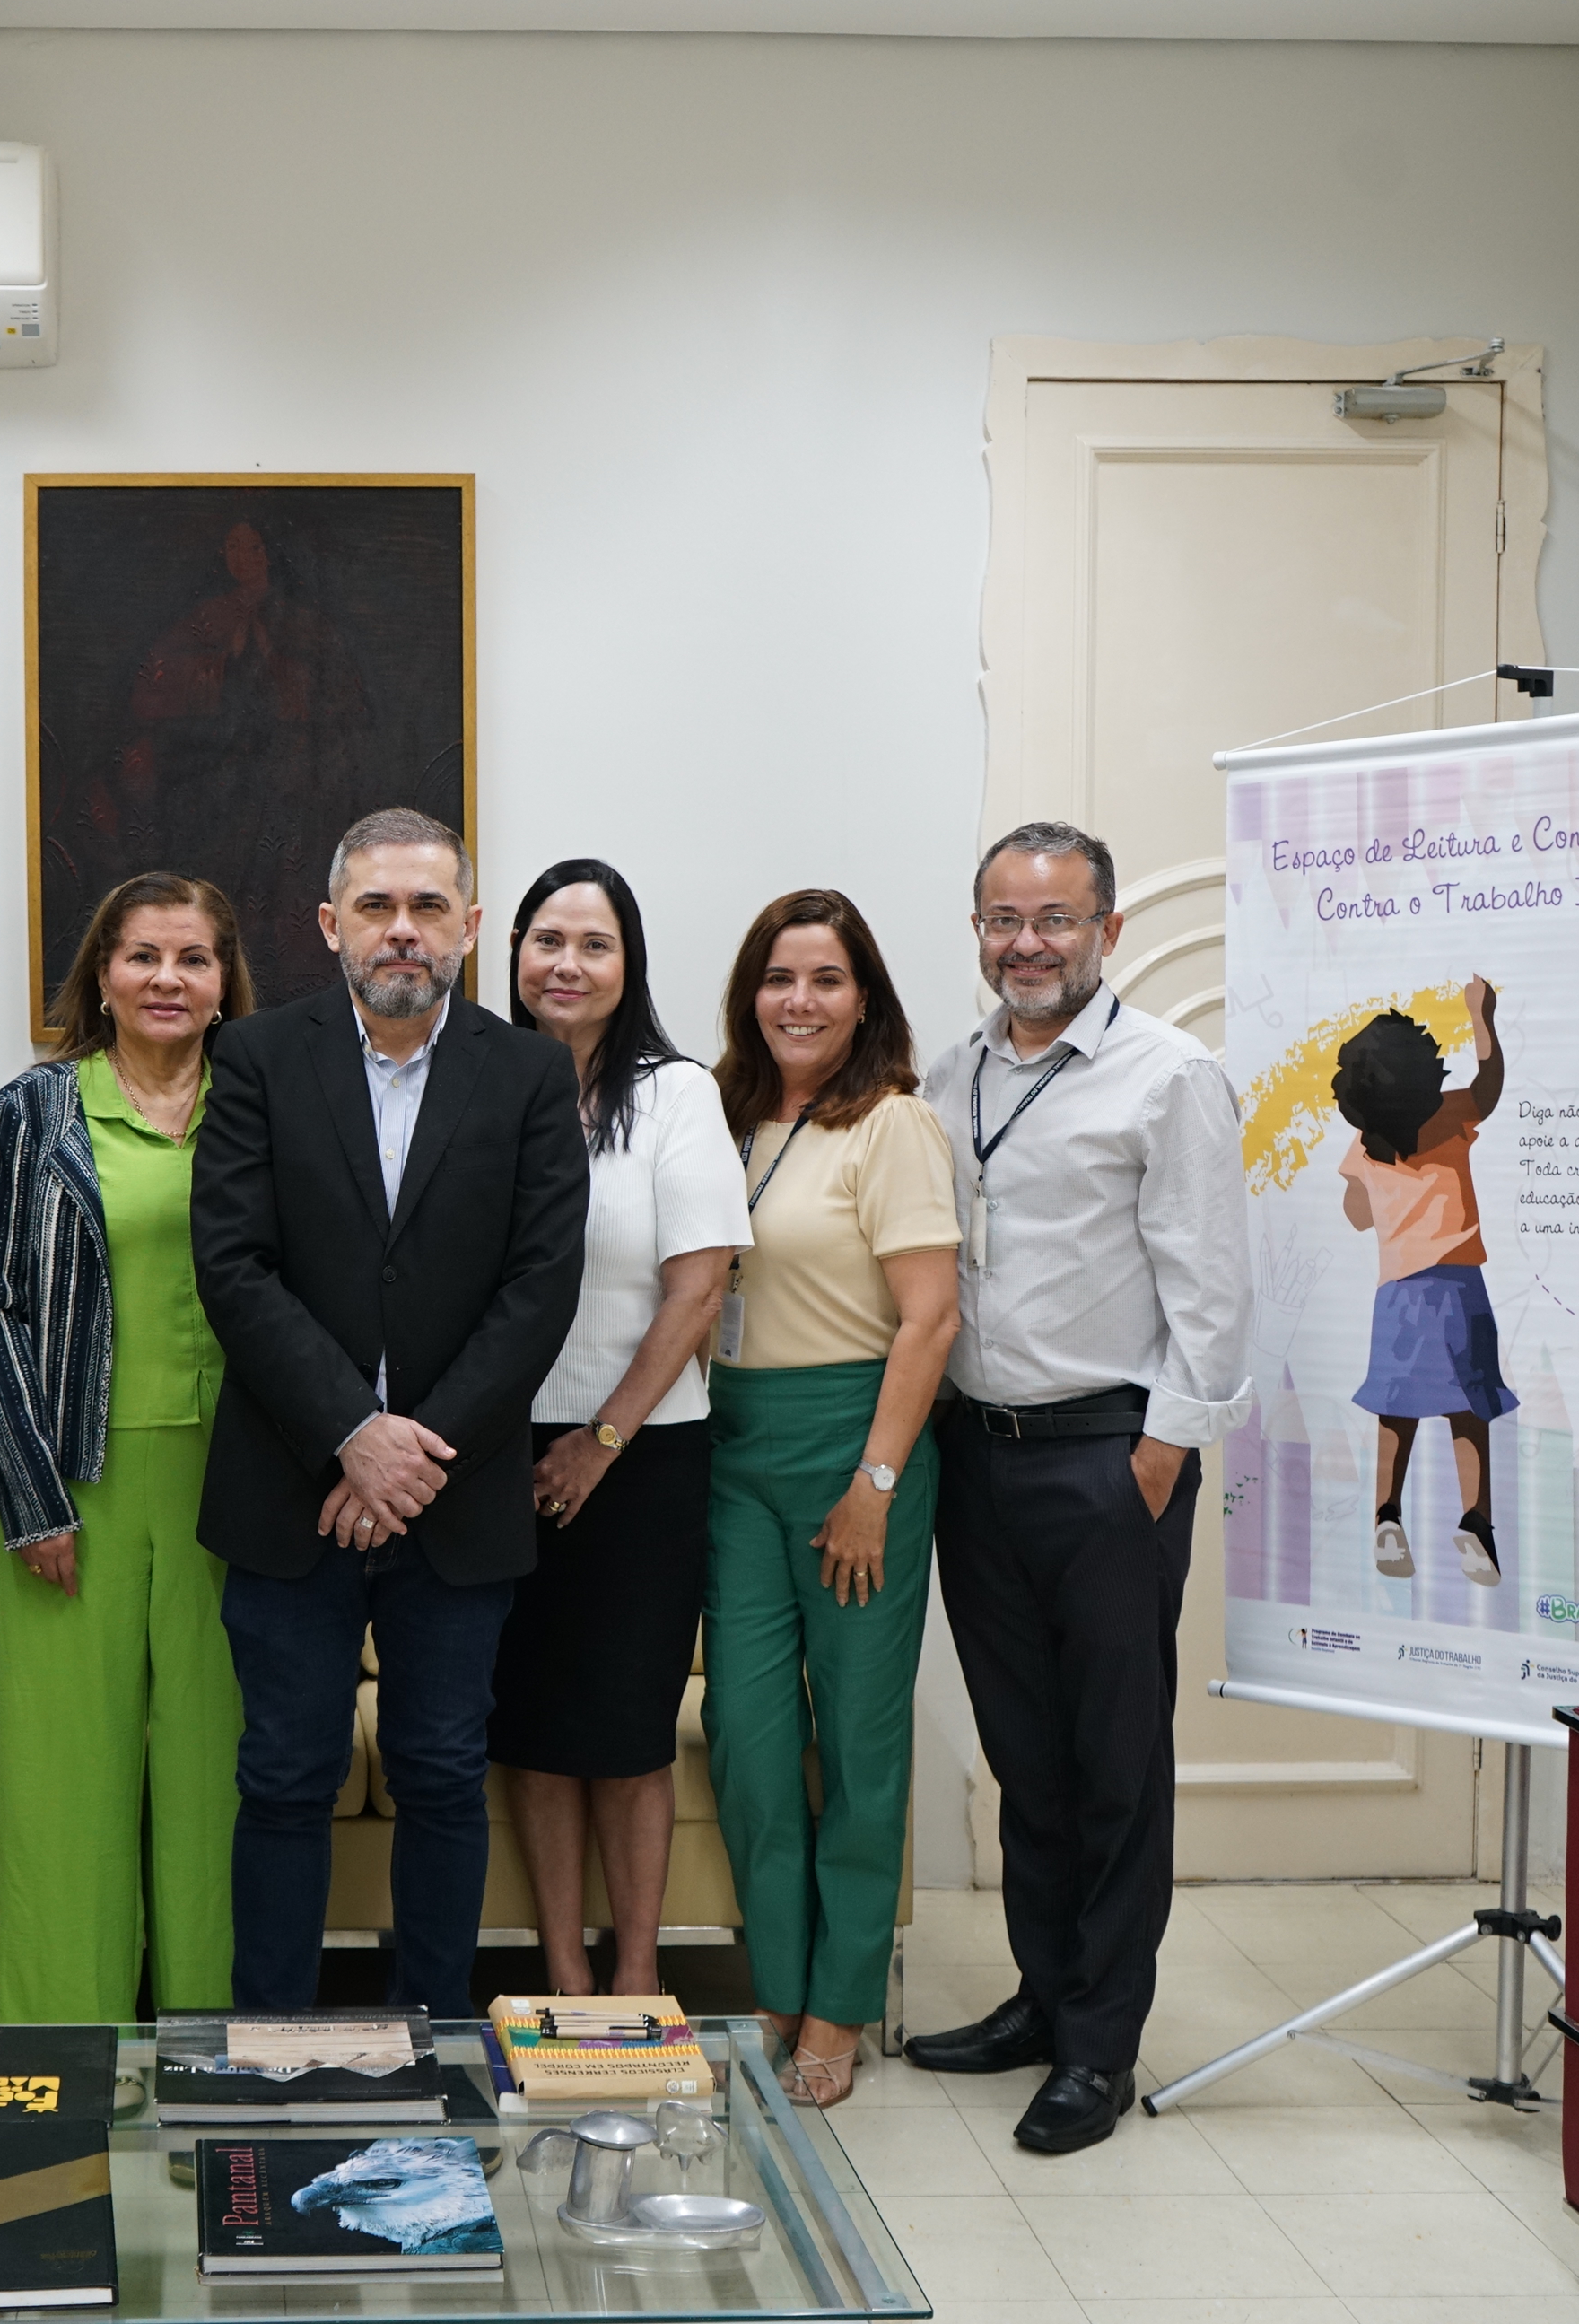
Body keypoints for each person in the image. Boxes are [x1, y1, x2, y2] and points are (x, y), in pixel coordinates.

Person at [189, 807, 589, 2020]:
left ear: (470, 927)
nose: (402, 931)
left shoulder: (525, 1071)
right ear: (330, 925)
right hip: (287, 1488)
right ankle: (269, 2046)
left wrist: (411, 1457)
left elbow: (540, 1285)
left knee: (440, 1776)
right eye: (376, 906)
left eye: (427, 908)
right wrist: (349, 1436)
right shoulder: (257, 1056)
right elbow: (233, 1266)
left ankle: (436, 2044)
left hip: (455, 1502)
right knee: (285, 1779)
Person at [909, 821, 1252, 2157]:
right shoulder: (952, 1073)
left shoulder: (1170, 1078)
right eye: (1003, 919)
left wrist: (1156, 1456)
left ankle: (1100, 2047)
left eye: (1054, 920)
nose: (1026, 944)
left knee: (1114, 1762)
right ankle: (1043, 2001)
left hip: (1108, 1458)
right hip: (976, 1459)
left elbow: (1212, 1290)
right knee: (1025, 1755)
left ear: (1106, 930)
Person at [0, 872, 259, 2022]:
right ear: (101, 973)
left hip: (232, 1491)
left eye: (193, 957)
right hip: (65, 1484)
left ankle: (209, 2058)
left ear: (225, 979)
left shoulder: (264, 1103)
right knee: (65, 1796)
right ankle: (68, 2067)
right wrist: (33, 1497)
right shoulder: (30, 1112)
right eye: (143, 956)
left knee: (212, 1785)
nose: (168, 978)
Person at [702, 890, 961, 2108]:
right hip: (732, 1448)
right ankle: (779, 1977)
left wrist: (876, 1482)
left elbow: (931, 1316)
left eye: (826, 979)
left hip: (856, 1443)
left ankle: (842, 2003)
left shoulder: (893, 1125)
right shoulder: (723, 1112)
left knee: (857, 1737)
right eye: (778, 977)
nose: (798, 1001)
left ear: (865, 999)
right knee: (753, 1742)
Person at [487, 860, 747, 1999]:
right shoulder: (476, 1083)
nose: (568, 964)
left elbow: (699, 1287)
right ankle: (562, 1971)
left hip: (643, 1453)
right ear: (514, 955)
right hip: (494, 1449)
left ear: (628, 964)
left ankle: (637, 1974)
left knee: (631, 1727)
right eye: (548, 939)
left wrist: (599, 1441)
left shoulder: (677, 1092)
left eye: (594, 944)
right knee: (535, 1727)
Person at [1334, 979, 1514, 1587]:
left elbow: (1356, 1215)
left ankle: (1388, 1516)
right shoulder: (1451, 1114)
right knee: (1469, 1411)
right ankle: (1476, 1524)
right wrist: (1481, 1020)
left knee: (1396, 1411)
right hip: (1459, 1287)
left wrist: (1380, 1190)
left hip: (1399, 1295)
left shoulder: (1367, 1143)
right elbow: (1489, 1086)